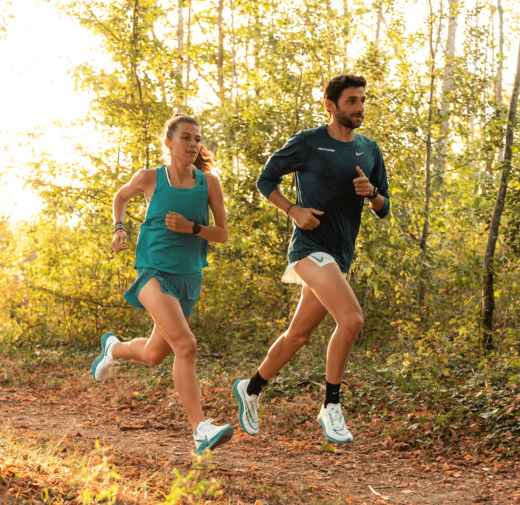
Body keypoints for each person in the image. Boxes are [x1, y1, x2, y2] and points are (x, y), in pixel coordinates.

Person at [232, 74, 390, 444]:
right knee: (351, 319)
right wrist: (293, 210)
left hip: (339, 256)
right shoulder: (308, 143)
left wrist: (372, 194)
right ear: (330, 106)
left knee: (299, 335)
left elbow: (384, 207)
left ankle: (250, 389)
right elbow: (265, 180)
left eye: (363, 100)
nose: (360, 108)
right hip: (309, 249)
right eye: (352, 101)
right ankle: (331, 406)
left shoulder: (369, 149)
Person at [92, 113, 234, 455]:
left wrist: (192, 228)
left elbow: (223, 234)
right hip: (153, 273)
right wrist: (118, 228)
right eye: (186, 137)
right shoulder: (150, 178)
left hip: (189, 277)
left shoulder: (208, 183)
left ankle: (113, 348)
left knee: (156, 354)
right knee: (186, 345)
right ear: (168, 143)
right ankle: (201, 429)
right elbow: (121, 196)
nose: (193, 144)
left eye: (197, 138)